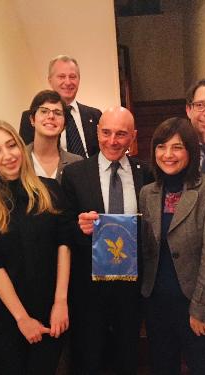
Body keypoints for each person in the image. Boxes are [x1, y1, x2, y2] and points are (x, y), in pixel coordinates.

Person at [0, 120, 72, 374]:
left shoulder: (50, 189)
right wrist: (22, 319)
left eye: (11, 145)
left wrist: (60, 301)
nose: (7, 156)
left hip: (51, 308)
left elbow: (64, 245)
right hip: (9, 316)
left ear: (20, 147)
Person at [61, 106, 153, 374]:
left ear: (133, 136)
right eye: (106, 132)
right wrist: (80, 227)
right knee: (90, 357)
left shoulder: (145, 173)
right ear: (97, 131)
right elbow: (63, 228)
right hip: (89, 288)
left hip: (131, 286)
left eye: (121, 134)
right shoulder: (75, 174)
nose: (112, 141)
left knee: (127, 355)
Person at [139, 117, 205, 375]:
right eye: (161, 147)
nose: (168, 154)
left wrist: (200, 310)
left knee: (203, 368)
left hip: (196, 305)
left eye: (177, 147)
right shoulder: (148, 192)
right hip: (157, 305)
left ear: (191, 151)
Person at [20, 55, 102, 158]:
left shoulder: (95, 115)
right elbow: (26, 158)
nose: (68, 82)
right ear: (50, 80)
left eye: (72, 77)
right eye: (61, 76)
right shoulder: (34, 117)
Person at [26, 90, 83, 182]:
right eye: (44, 111)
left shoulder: (76, 162)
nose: (51, 116)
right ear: (32, 119)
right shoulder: (18, 158)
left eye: (58, 113)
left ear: (64, 125)